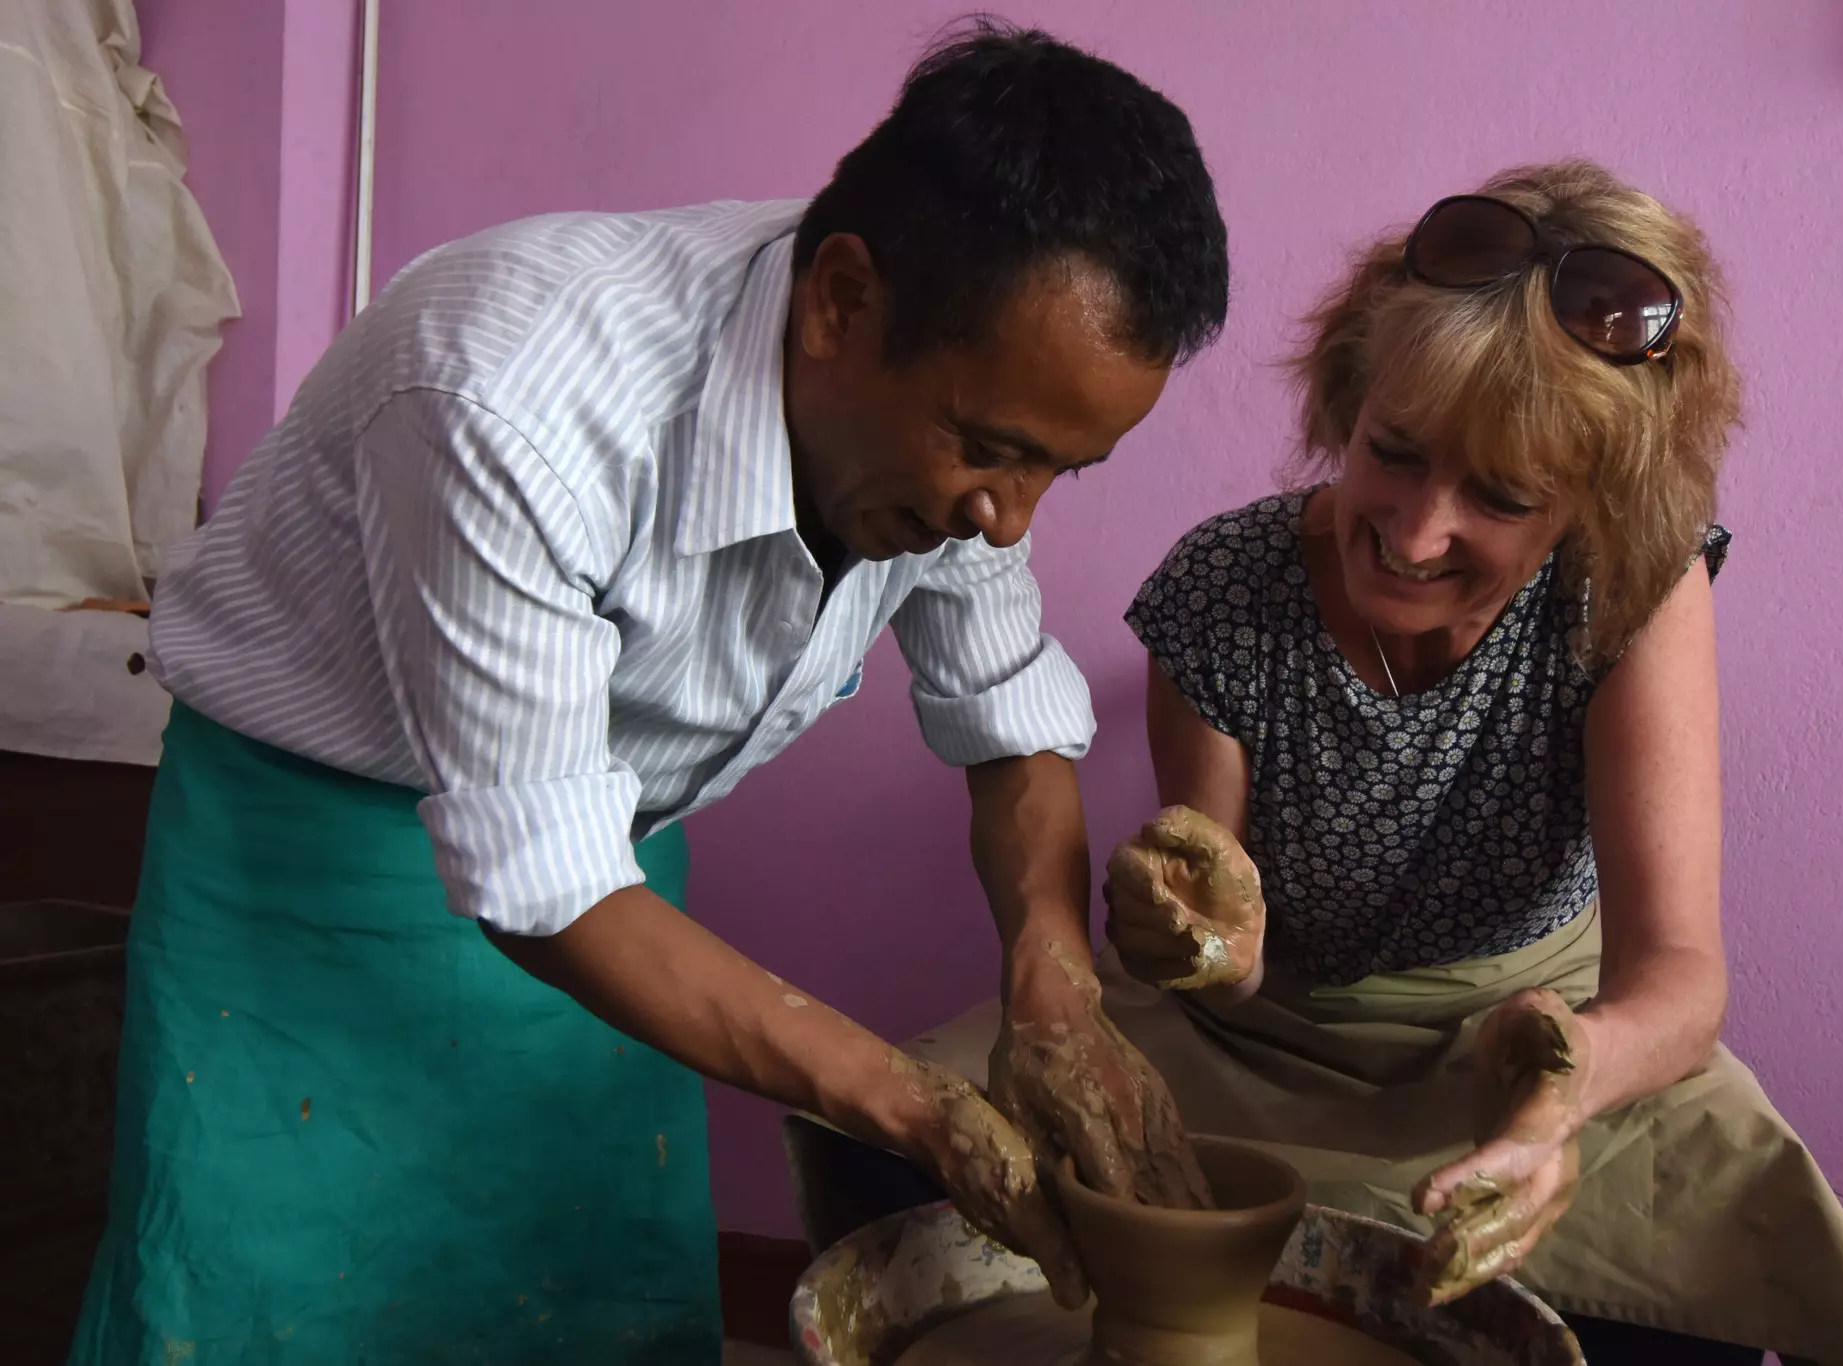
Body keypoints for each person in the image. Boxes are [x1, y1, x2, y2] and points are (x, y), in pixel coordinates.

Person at [69, 24, 1225, 1365]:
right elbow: (537, 877)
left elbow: (1006, 715)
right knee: (274, 1318)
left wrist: (1052, 981)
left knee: (581, 1315)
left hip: (609, 877)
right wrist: (916, 1108)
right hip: (304, 879)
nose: (1007, 521)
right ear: (841, 302)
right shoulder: (508, 392)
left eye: (1052, 472)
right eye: (987, 453)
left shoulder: (950, 398)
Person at [904, 162, 1843, 1366]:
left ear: (1592, 504)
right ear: (1349, 401)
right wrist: (1202, 942)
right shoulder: (1226, 587)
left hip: (1531, 1041)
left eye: (1498, 494)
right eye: (1393, 452)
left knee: (1699, 1276)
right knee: (924, 1133)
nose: (1414, 528)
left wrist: (1568, 1086)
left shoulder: (1628, 588)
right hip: (1257, 1046)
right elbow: (1222, 972)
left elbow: (1681, 983)